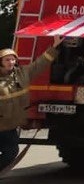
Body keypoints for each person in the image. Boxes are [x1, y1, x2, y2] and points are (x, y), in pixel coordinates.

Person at [0, 37, 64, 172]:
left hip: (9, 126)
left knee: (10, 153)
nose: (11, 62)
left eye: (13, 59)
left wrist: (55, 46)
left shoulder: (23, 73)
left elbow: (40, 63)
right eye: (7, 60)